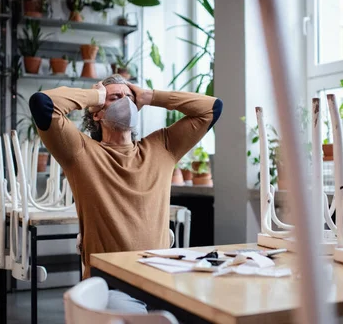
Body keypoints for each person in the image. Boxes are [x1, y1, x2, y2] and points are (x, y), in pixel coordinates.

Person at [29, 74, 223, 313]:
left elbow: (212, 108)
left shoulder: (163, 147)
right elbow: (43, 104)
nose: (126, 102)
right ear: (97, 113)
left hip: (162, 280)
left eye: (130, 97)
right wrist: (95, 96)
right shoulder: (79, 152)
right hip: (113, 286)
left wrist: (149, 96)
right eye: (115, 97)